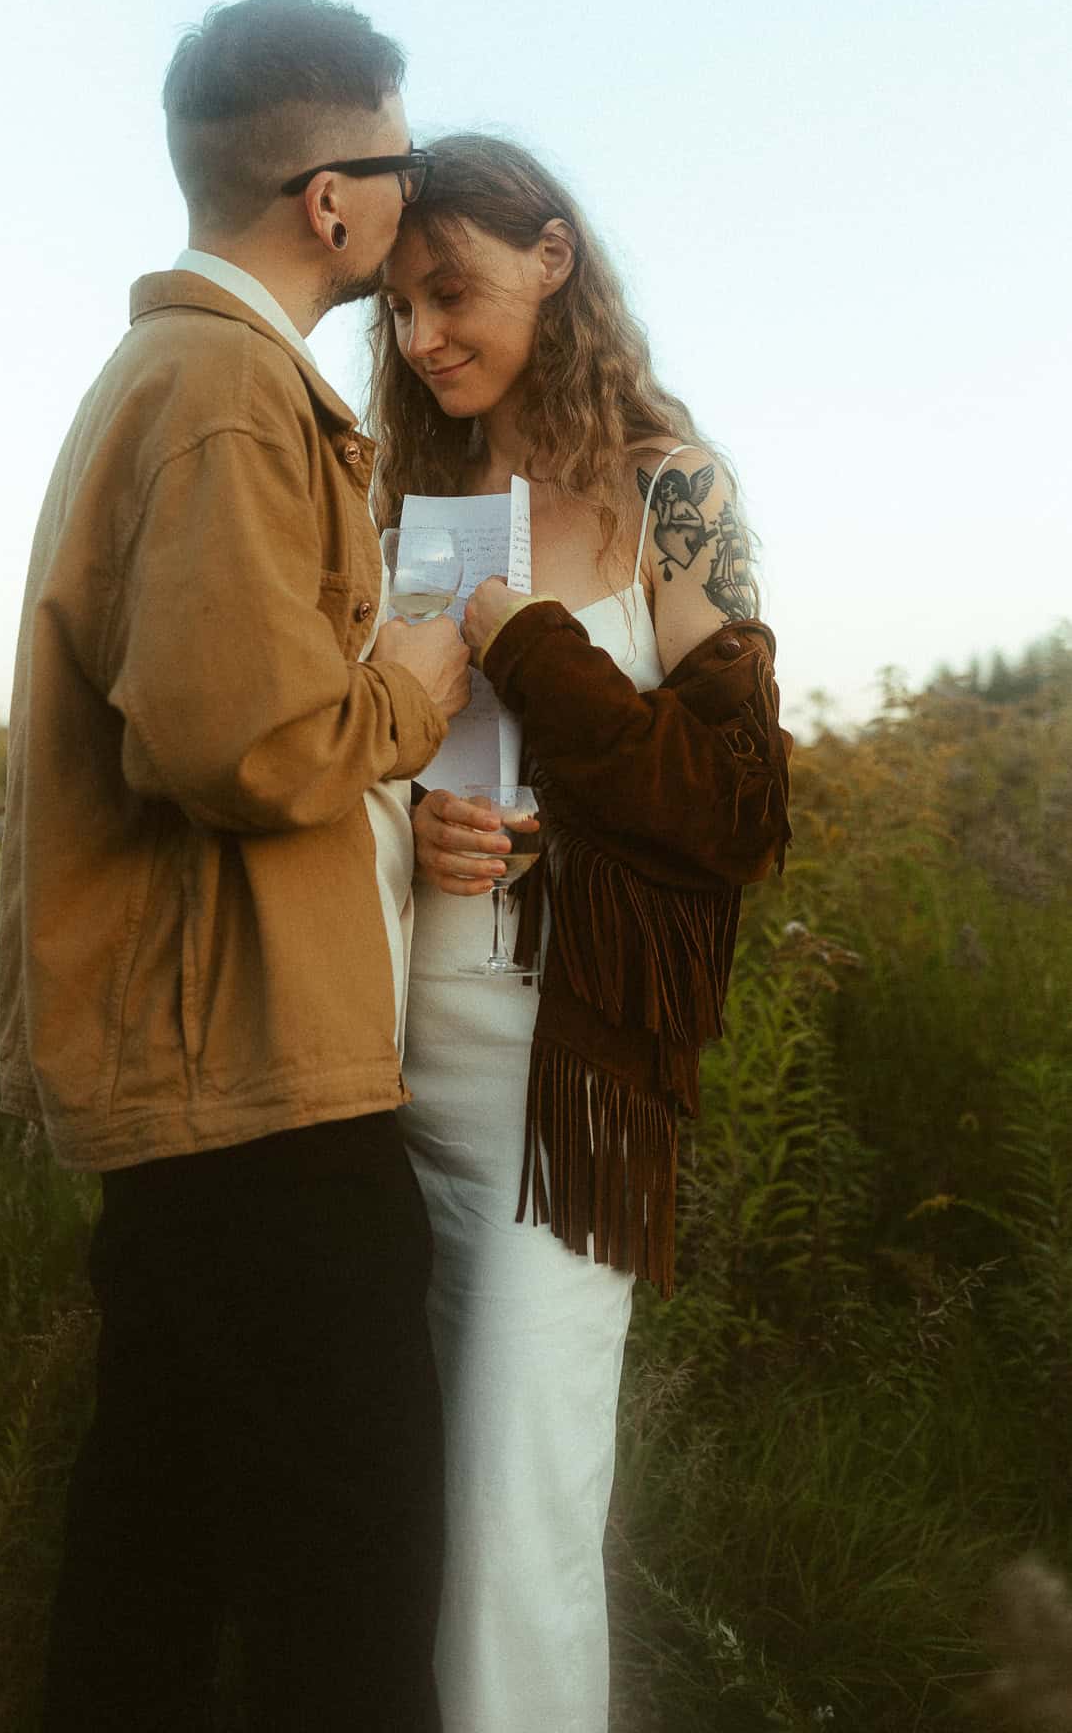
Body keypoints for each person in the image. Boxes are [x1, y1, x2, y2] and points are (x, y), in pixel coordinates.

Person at [0, 0, 472, 1733]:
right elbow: (238, 742)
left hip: (216, 1081)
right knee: (347, 1600)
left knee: (156, 1570)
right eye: (401, 166)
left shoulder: (196, 377)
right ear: (333, 199)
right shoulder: (219, 390)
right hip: (255, 1094)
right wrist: (413, 694)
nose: (412, 204)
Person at [367, 133, 792, 1733]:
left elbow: (736, 804)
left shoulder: (672, 490)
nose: (423, 338)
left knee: (517, 1512)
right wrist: (415, 817)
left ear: (553, 257)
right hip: (376, 1056)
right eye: (398, 308)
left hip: (565, 1092)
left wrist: (530, 643)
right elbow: (353, 749)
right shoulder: (397, 493)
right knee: (387, 1506)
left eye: (452, 290)